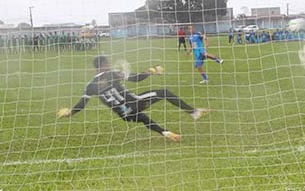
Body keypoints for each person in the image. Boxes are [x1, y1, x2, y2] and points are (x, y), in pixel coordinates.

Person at [57, 55, 208, 142]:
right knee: (164, 93)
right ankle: (193, 112)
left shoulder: (90, 85)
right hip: (136, 102)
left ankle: (166, 133)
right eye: (107, 63)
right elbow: (136, 78)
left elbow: (81, 104)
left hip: (124, 114)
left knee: (143, 118)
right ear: (104, 64)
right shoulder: (112, 74)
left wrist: (70, 112)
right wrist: (153, 70)